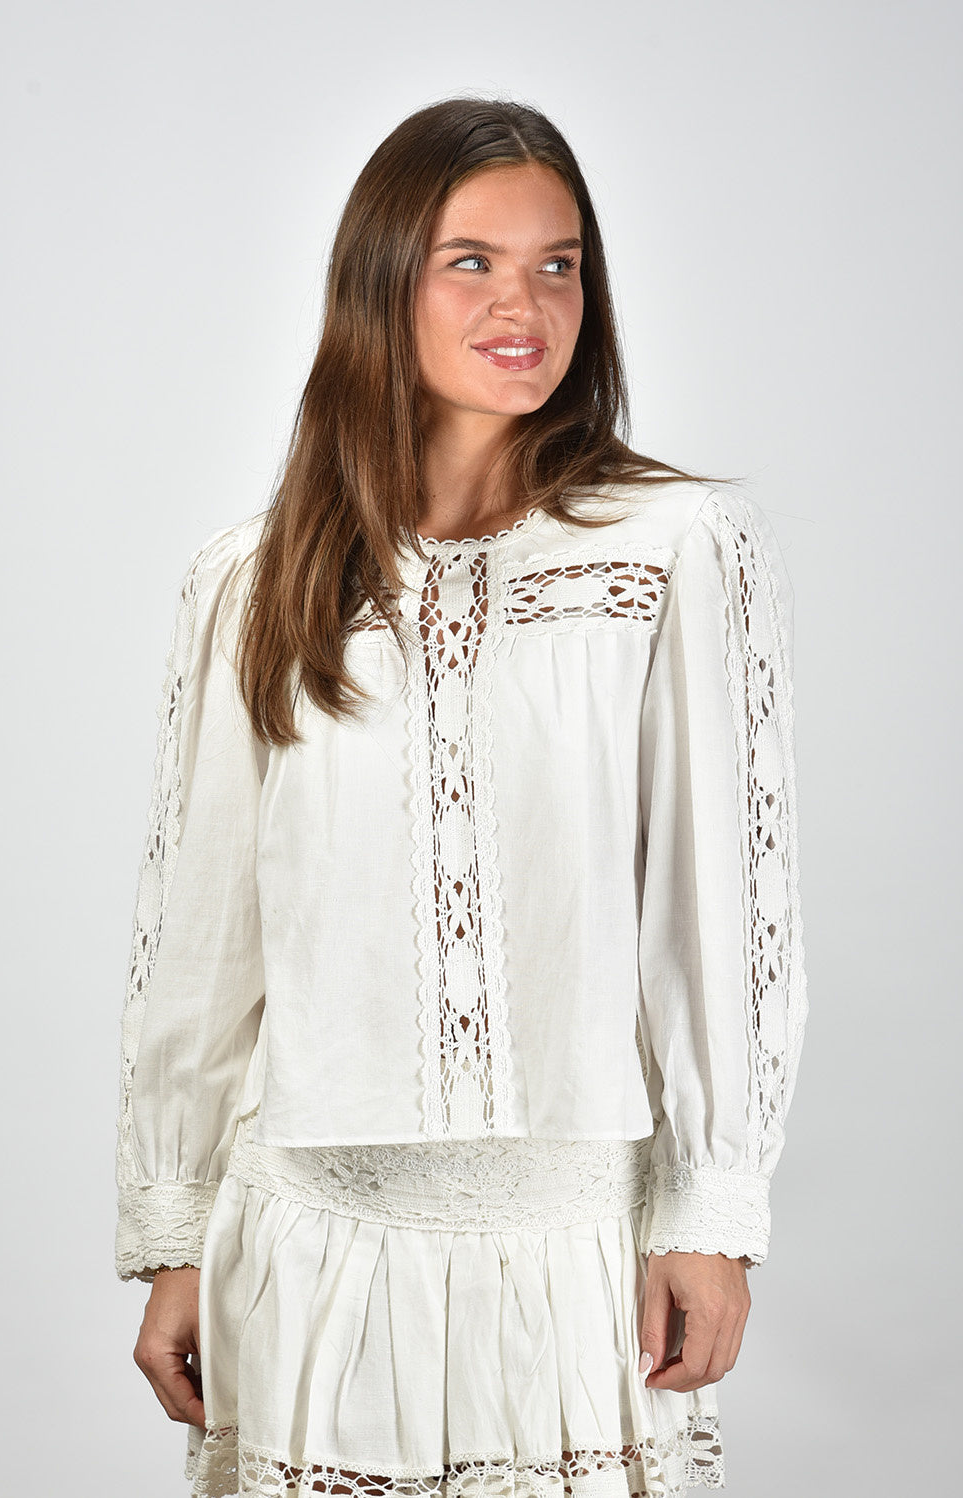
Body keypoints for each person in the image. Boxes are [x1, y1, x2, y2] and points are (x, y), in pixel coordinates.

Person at [115, 96, 808, 1498]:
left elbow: (725, 904)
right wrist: (178, 1232)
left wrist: (713, 1208)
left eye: (560, 264)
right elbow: (203, 935)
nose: (524, 304)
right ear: (382, 282)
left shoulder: (672, 549)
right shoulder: (254, 577)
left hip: (575, 1242)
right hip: (306, 1238)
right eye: (471, 261)